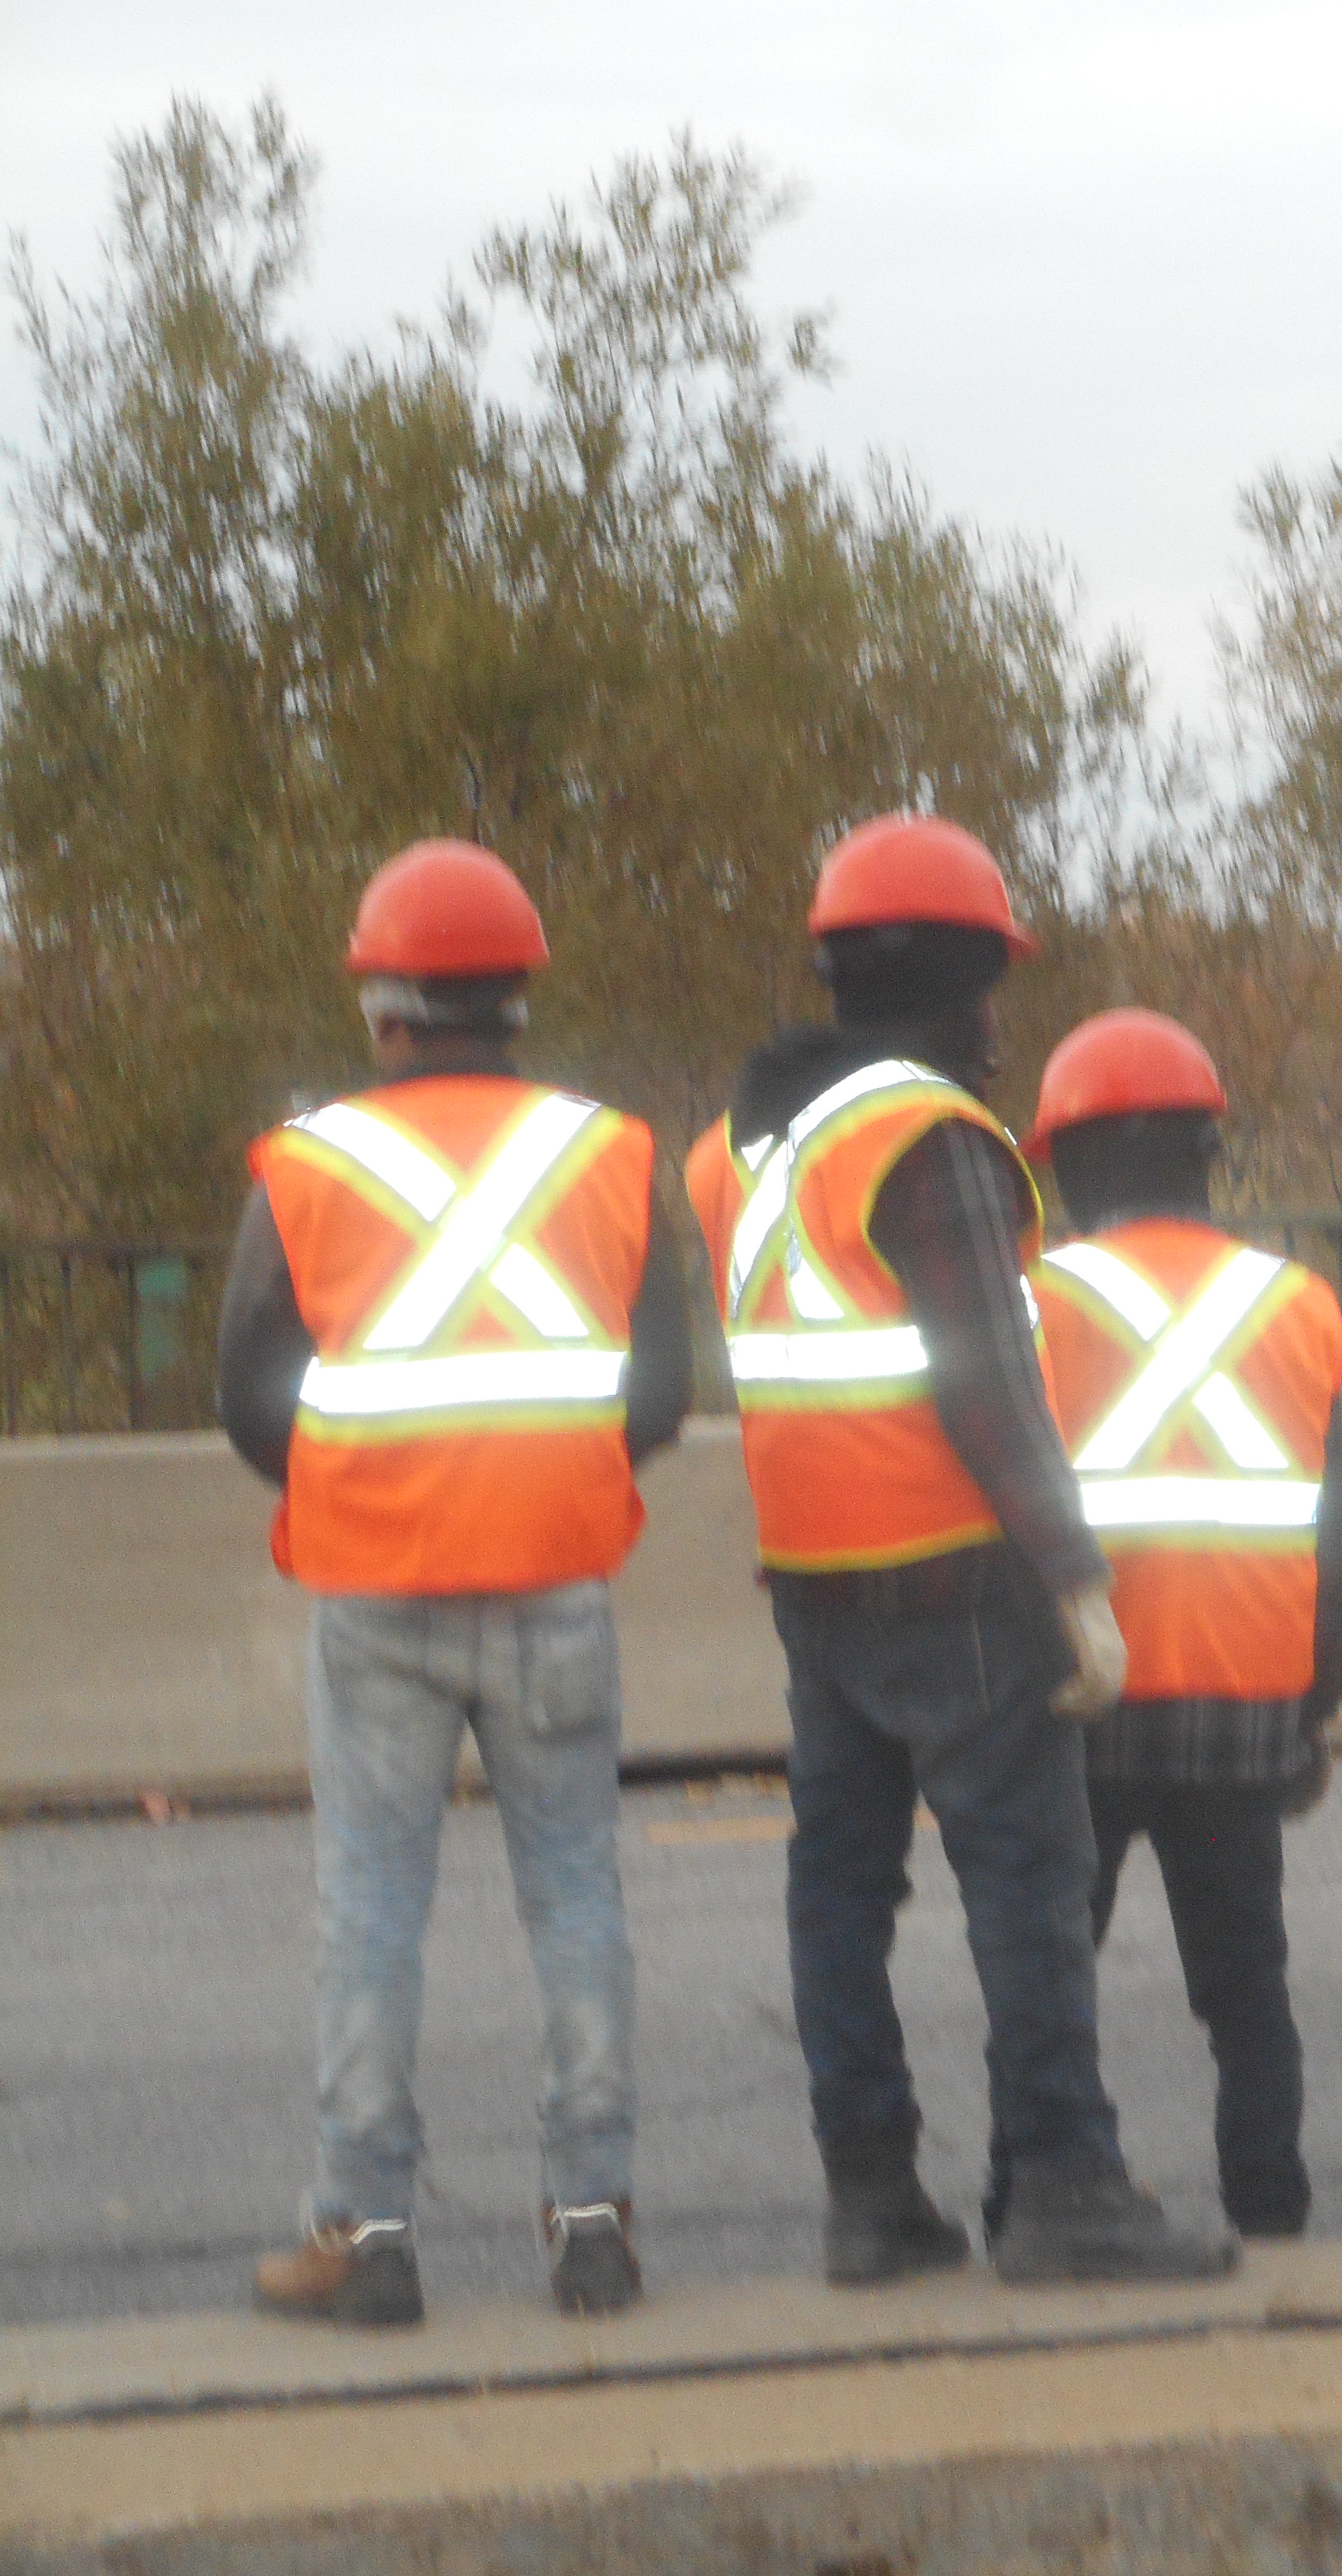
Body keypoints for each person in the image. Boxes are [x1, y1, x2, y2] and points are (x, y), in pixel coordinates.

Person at [685, 814, 1232, 2285]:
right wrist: (1078, 1579)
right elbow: (987, 1379)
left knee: (839, 1893)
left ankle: (869, 2200)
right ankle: (1062, 2188)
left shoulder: (741, 1151)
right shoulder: (927, 1141)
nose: (998, 1025)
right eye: (990, 986)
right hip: (959, 1581)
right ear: (948, 980)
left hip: (815, 1580)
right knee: (1028, 1891)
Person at [221, 841, 695, 2326]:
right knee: (576, 1896)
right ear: (515, 999)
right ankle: (595, 2220)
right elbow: (661, 1390)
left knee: (369, 1910)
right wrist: (538, 1472)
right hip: (557, 1584)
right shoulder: (610, 1153)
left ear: (383, 1004)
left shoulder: (308, 1164)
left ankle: (365, 2236)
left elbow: (247, 1392)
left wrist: (371, 1478)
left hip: (376, 1593)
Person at [1024, 1010, 1342, 2241]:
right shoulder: (1299, 1302)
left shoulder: (1033, 1302)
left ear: (1068, 1159)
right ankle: (1271, 2206)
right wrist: (1315, 1703)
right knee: (1247, 1984)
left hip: (1082, 1699)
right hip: (1243, 1699)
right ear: (1208, 1153)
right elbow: (1334, 1540)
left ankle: (1037, 2192)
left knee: (1051, 1973)